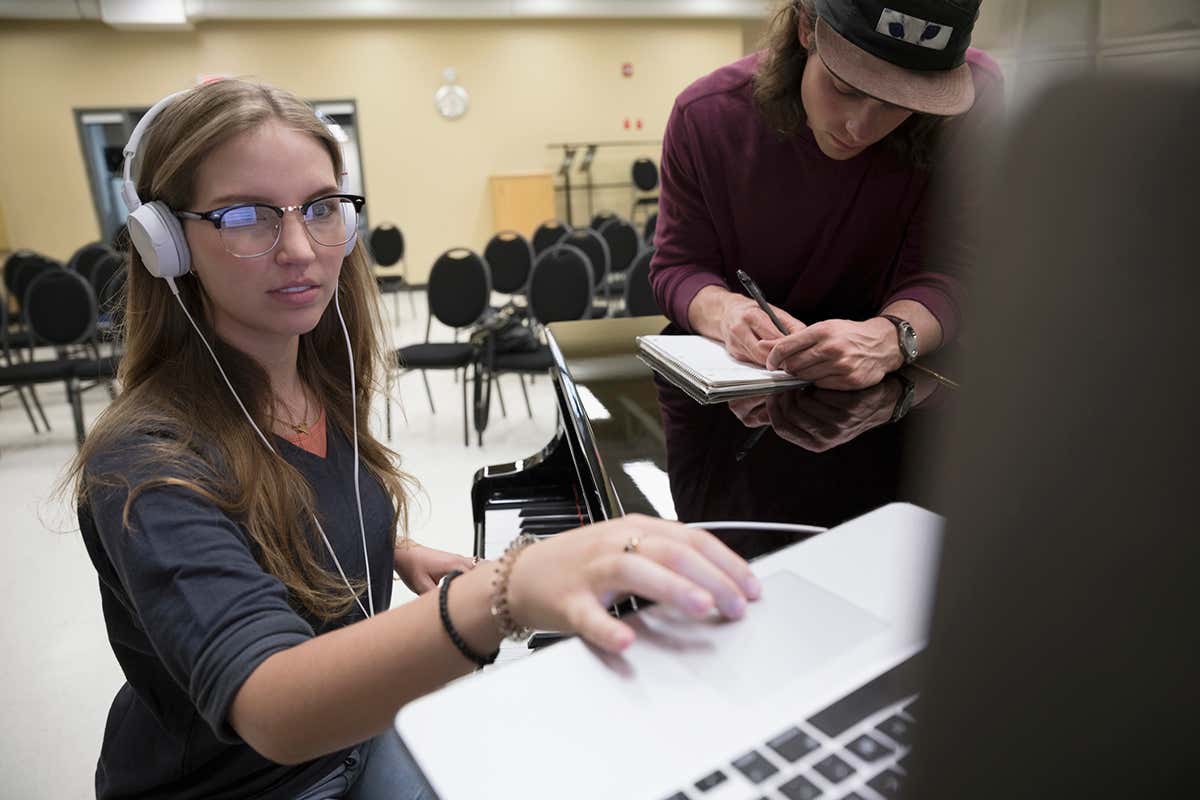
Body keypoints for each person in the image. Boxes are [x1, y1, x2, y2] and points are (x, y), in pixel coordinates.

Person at [66, 79, 759, 800]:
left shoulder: (309, 378)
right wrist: (506, 590)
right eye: (246, 216)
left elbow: (280, 506)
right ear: (166, 244)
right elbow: (272, 706)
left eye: (321, 208)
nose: (300, 249)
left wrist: (388, 547)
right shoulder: (145, 460)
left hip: (356, 736)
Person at [649, 0, 1003, 390]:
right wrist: (726, 311)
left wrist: (890, 338)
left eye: (898, 104)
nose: (861, 129)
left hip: (895, 396)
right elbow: (679, 266)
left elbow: (953, 268)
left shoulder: (970, 102)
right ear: (806, 27)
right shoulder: (706, 117)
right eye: (845, 88)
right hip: (745, 393)